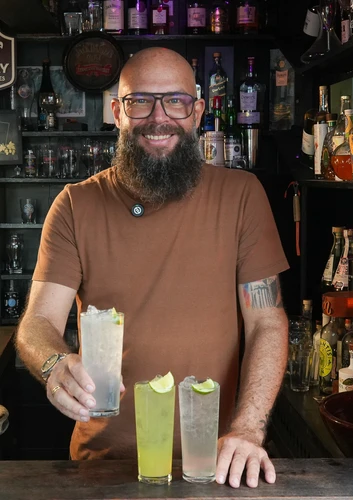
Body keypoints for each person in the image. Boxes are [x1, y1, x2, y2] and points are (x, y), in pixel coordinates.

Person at [15, 47, 289, 489]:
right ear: (117, 113)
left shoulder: (242, 196)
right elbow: (37, 322)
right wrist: (54, 364)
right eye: (140, 101)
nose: (158, 118)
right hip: (103, 467)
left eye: (175, 101)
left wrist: (248, 429)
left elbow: (267, 322)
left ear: (197, 111)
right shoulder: (75, 205)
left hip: (216, 463)